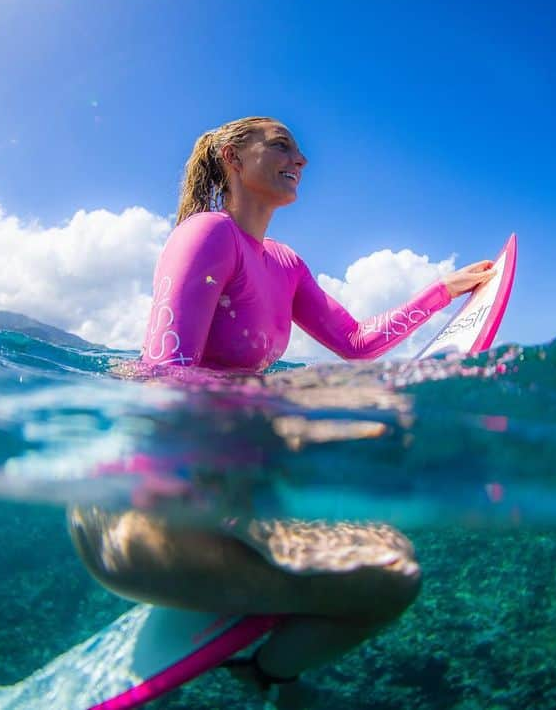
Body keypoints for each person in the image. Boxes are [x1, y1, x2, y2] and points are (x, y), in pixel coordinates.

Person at [68, 116, 495, 706]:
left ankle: (264, 647)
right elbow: (166, 374)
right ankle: (270, 677)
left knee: (391, 550)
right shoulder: (208, 233)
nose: (303, 158)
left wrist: (441, 292)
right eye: (282, 145)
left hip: (216, 493)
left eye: (299, 149)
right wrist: (289, 420)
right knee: (389, 583)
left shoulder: (285, 263)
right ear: (231, 157)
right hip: (140, 515)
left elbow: (358, 344)